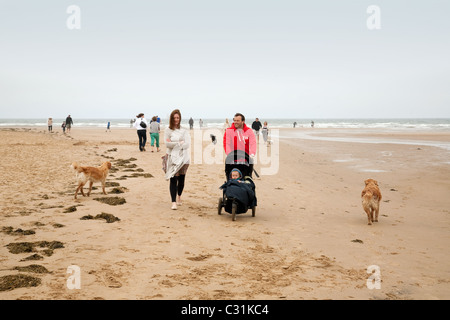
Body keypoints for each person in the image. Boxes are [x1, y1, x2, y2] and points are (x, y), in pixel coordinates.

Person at [165, 109, 191, 210]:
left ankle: (179, 196)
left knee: (181, 179)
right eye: (174, 118)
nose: (176, 119)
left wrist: (173, 143)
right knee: (173, 179)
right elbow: (167, 144)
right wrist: (179, 143)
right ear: (171, 119)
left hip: (184, 158)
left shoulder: (184, 130)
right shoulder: (168, 130)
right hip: (172, 157)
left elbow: (187, 144)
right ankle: (173, 202)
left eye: (178, 118)